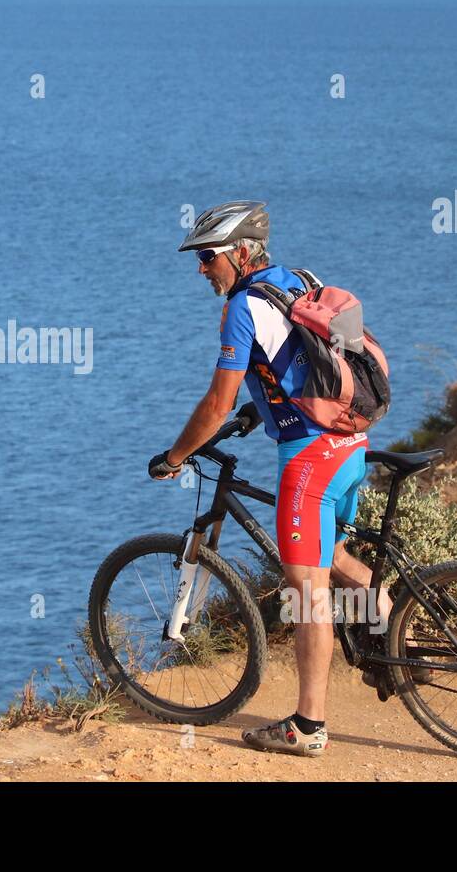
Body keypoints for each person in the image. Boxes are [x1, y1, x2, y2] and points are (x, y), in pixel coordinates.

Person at [147, 200, 391, 758]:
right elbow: (303, 358)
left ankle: (307, 727)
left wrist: (176, 456)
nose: (201, 270)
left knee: (307, 593)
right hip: (351, 441)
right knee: (329, 560)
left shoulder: (241, 307)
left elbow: (215, 401)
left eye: (207, 258)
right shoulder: (299, 280)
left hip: (310, 459)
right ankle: (389, 626)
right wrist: (263, 407)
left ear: (238, 253)